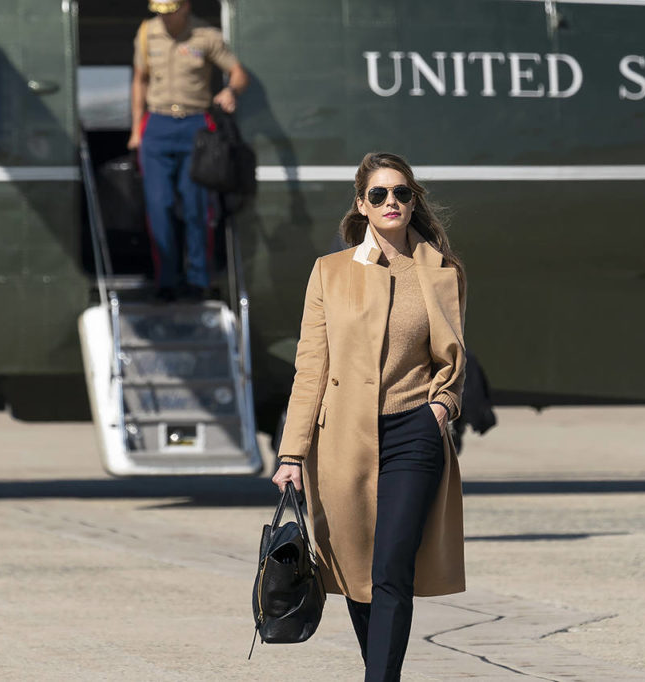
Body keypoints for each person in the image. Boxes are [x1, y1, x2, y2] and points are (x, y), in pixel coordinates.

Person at [272, 152, 467, 681]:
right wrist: (292, 453)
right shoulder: (329, 273)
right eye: (378, 194)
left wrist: (441, 407)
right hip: (342, 440)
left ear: (413, 201)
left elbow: (452, 359)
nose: (391, 203)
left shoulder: (442, 272)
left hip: (414, 433)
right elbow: (310, 368)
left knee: (391, 569)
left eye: (401, 193)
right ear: (361, 205)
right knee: (357, 573)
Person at [126, 0, 249, 301]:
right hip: (156, 124)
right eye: (159, 11)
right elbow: (139, 81)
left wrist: (230, 91)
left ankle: (197, 279)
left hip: (195, 125)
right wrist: (135, 130)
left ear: (185, 7)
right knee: (159, 205)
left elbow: (238, 73)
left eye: (170, 10)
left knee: (196, 206)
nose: (164, 17)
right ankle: (165, 280)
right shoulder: (146, 33)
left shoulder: (206, 36)